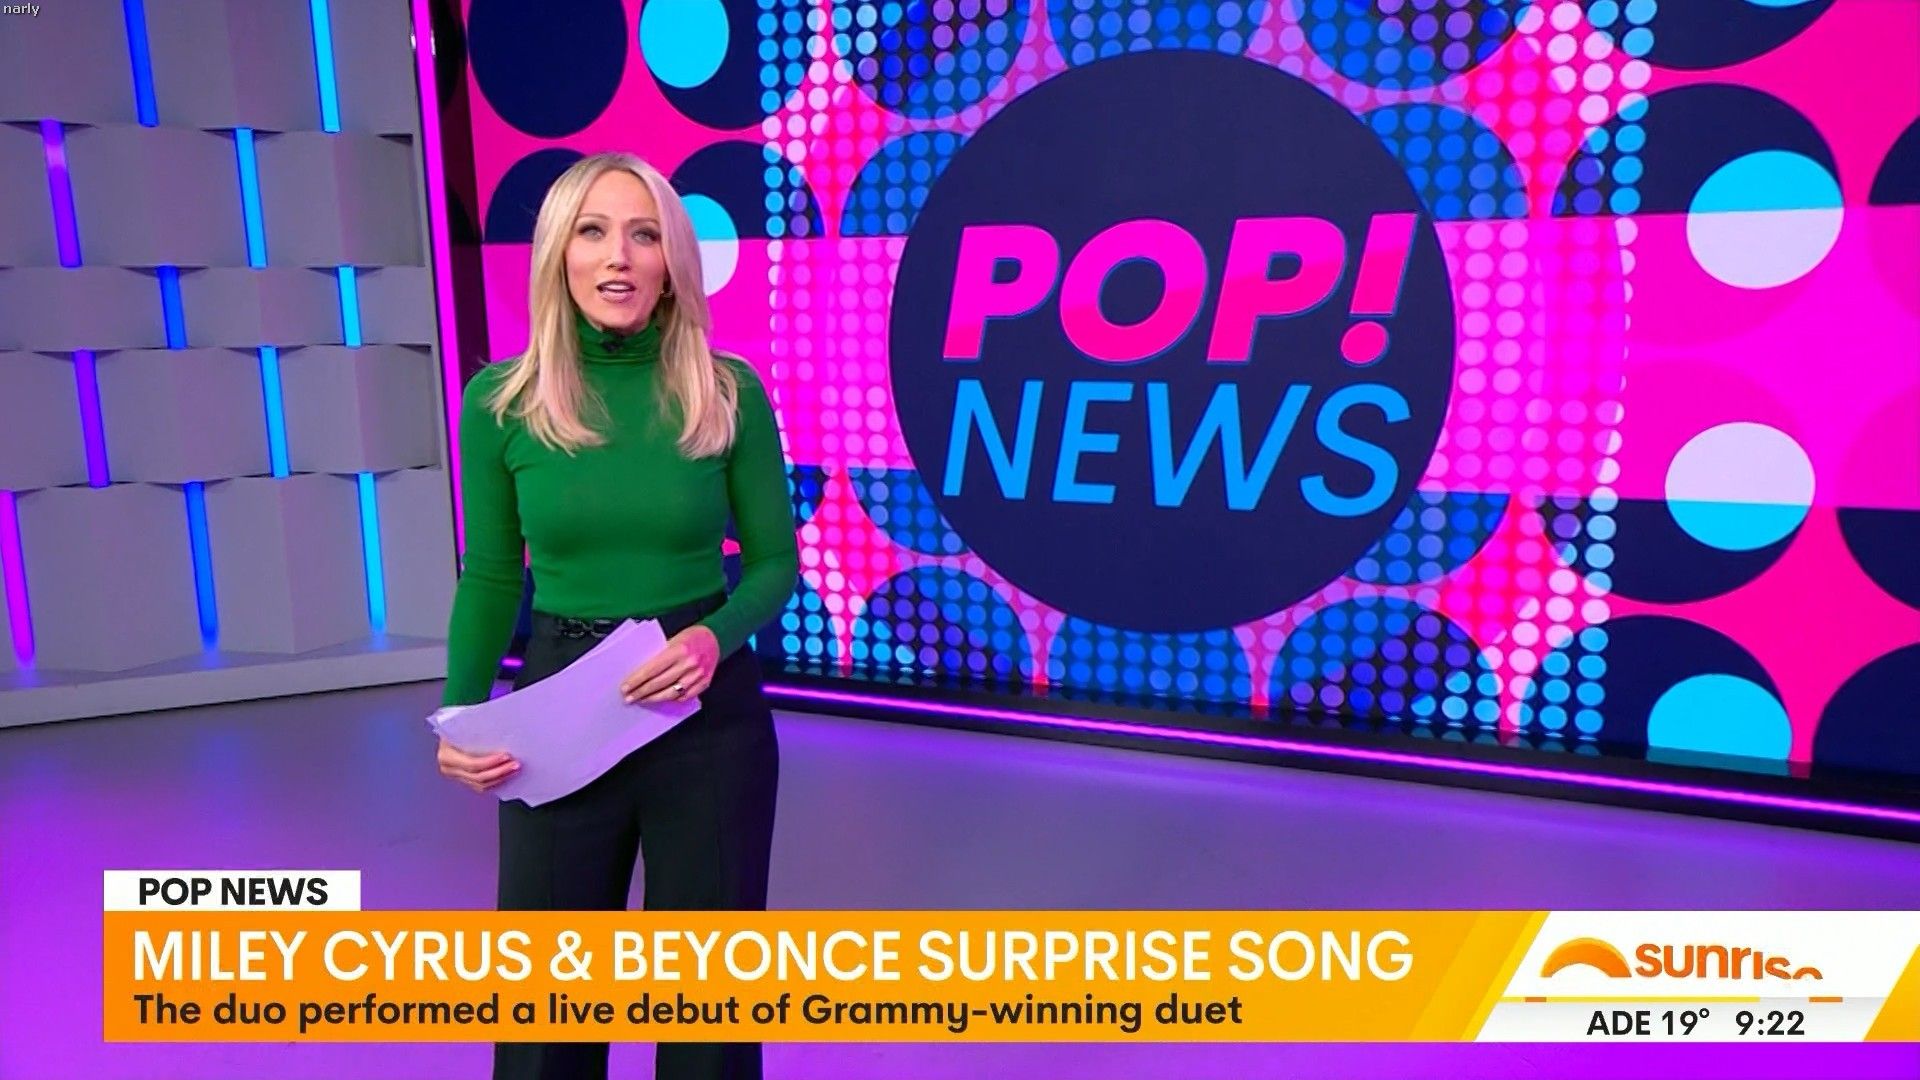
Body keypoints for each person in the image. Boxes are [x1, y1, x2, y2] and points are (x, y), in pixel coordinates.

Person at [434, 151, 798, 1080]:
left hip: (705, 714)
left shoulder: (728, 391)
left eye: (644, 235)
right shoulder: (502, 402)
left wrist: (714, 638)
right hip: (560, 707)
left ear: (673, 259)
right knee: (547, 1018)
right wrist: (461, 714)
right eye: (593, 232)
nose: (618, 257)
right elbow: (491, 575)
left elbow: (773, 565)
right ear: (559, 253)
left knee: (710, 1020)